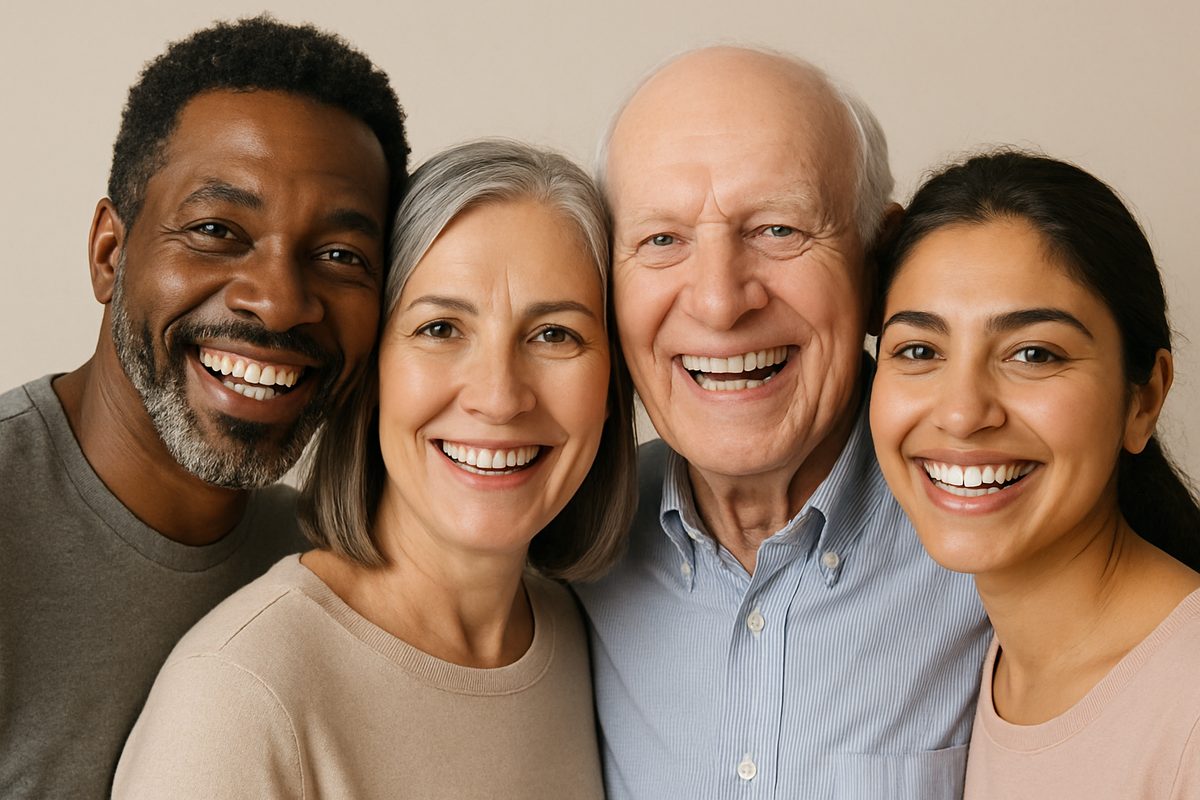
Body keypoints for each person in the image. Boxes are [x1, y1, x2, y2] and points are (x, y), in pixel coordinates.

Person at [112, 139, 638, 799]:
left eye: (555, 334)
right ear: (373, 370)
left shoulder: (592, 645)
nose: (500, 397)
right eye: (441, 329)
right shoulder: (240, 695)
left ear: (613, 384)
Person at [0, 16, 408, 799]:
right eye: (218, 230)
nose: (281, 302)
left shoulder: (333, 567)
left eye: (339, 256)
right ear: (110, 254)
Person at [572, 45, 991, 798]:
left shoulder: (998, 539)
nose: (719, 300)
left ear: (876, 263)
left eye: (778, 230)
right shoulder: (564, 543)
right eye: (662, 240)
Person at [870, 150, 1200, 798]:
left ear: (1144, 398)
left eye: (1033, 353)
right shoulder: (988, 670)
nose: (963, 412)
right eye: (918, 350)